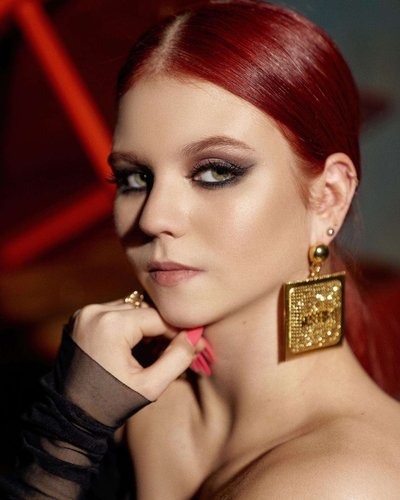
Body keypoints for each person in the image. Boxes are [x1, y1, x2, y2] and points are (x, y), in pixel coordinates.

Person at [2, 1, 400, 498]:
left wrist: (64, 437)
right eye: (135, 178)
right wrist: (73, 424)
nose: (153, 217)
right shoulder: (127, 404)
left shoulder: (347, 481)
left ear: (329, 197)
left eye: (215, 172)